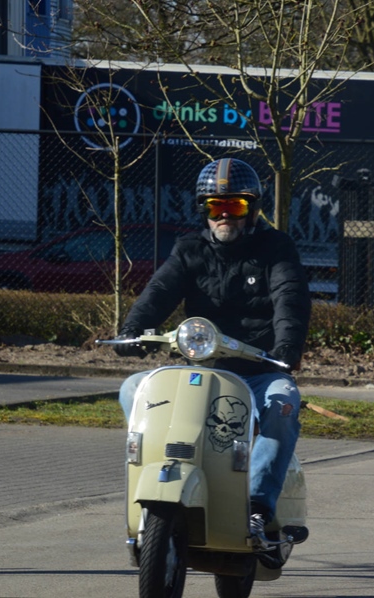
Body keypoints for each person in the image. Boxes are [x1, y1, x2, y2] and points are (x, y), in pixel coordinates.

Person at [113, 157, 311, 567]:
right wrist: (133, 330)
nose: (224, 216)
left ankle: (257, 507)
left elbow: (289, 299)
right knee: (134, 387)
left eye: (234, 206)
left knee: (283, 404)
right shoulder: (190, 249)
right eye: (214, 206)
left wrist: (286, 350)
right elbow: (159, 291)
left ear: (252, 210)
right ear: (203, 210)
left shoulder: (276, 248)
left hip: (259, 370)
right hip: (200, 370)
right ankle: (161, 478)